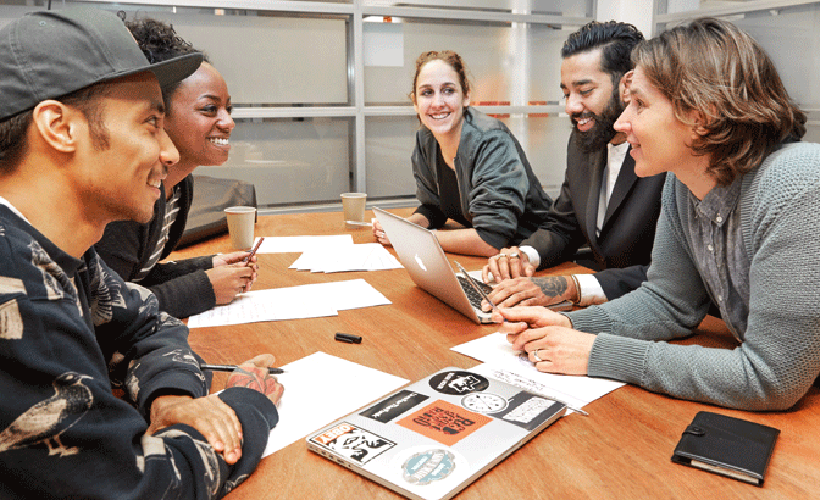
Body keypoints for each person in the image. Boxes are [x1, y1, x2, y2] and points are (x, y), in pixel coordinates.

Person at [0, 8, 283, 498]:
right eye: (151, 123)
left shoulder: (64, 254)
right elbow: (143, 486)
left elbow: (151, 321)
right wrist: (248, 407)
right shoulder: (16, 286)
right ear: (60, 127)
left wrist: (169, 398)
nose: (169, 153)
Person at [497, 17, 820, 411]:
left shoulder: (800, 186)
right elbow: (668, 303)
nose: (621, 121)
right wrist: (570, 325)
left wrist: (597, 353)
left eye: (640, 104)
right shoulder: (681, 182)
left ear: (701, 115)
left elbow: (771, 377)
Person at [482, 21, 666, 310]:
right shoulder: (585, 140)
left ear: (627, 87)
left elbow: (671, 276)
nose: (570, 106)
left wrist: (569, 287)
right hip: (602, 304)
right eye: (566, 93)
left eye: (584, 91)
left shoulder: (667, 154)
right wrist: (523, 256)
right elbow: (564, 224)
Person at [95, 18, 253, 319]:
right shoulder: (123, 195)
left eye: (228, 109)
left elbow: (136, 277)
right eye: (210, 109)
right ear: (157, 114)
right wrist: (203, 289)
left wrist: (206, 267)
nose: (228, 122)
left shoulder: (180, 185)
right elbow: (104, 309)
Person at [372, 50, 552, 257]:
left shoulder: (491, 141)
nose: (437, 103)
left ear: (466, 95)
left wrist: (411, 236)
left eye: (448, 90)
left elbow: (490, 239)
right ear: (415, 102)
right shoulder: (426, 139)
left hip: (534, 255)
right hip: (488, 259)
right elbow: (434, 209)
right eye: (427, 92)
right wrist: (399, 227)